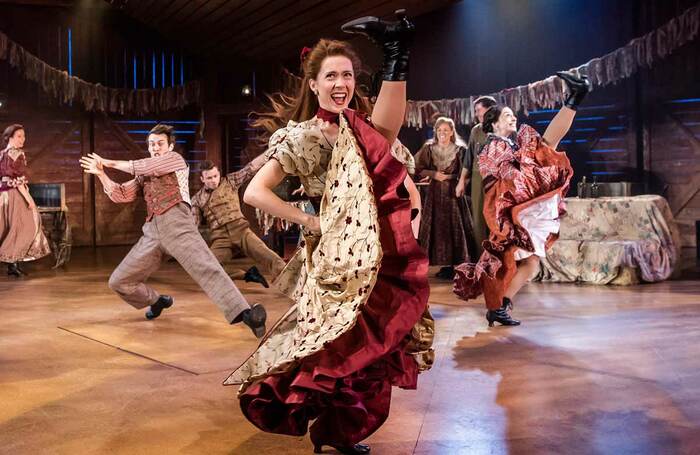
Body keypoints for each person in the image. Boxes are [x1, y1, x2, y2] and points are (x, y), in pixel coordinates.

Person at [225, 12, 433, 455]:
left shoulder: (364, 129)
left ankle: (398, 50)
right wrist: (312, 221)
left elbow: (396, 158)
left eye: (348, 75)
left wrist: (407, 229)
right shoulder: (304, 136)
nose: (341, 83)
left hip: (374, 255)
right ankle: (330, 426)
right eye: (331, 76)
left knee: (373, 346)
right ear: (314, 84)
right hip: (333, 263)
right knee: (332, 344)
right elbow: (255, 193)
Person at [78, 124, 266, 337]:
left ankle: (248, 314)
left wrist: (107, 162)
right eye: (151, 144)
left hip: (178, 226)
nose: (155, 148)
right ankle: (157, 301)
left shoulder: (175, 160)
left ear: (170, 146)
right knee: (120, 281)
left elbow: (147, 167)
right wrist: (101, 173)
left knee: (207, 268)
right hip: (152, 232)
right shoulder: (143, 175)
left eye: (159, 144)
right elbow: (121, 195)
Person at [454, 71, 590, 327]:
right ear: (493, 123)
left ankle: (499, 307)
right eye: (507, 115)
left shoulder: (508, 144)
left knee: (530, 263)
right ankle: (498, 306)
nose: (512, 117)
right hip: (509, 215)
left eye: (512, 114)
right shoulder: (493, 147)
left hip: (517, 210)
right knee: (515, 263)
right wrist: (533, 168)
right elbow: (502, 180)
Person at [191, 158, 286, 288]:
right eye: (209, 178)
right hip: (221, 238)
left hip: (240, 230)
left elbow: (250, 168)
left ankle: (294, 284)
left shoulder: (230, 181)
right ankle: (246, 275)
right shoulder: (197, 199)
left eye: (215, 176)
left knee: (270, 257)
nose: (213, 180)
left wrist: (271, 152)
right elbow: (193, 224)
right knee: (206, 269)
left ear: (219, 174)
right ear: (202, 179)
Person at [414, 116, 474, 279]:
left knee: (455, 226)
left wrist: (460, 184)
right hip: (435, 194)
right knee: (438, 228)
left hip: (453, 192)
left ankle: (459, 264)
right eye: (439, 130)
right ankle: (446, 266)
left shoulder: (460, 149)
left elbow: (467, 172)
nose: (442, 133)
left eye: (445, 130)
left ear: (451, 132)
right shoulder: (429, 148)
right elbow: (416, 167)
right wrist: (433, 174)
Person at [0, 124, 51, 276]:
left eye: (24, 136)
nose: (23, 139)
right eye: (19, 136)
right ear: (9, 137)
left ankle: (12, 263)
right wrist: (30, 200)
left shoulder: (1, 154)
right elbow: (18, 181)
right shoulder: (17, 154)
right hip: (15, 195)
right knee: (26, 225)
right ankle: (12, 261)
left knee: (6, 227)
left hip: (3, 196)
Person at [456, 96, 497, 257]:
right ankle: (483, 258)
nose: (476, 114)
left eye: (478, 110)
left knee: (496, 218)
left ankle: (499, 257)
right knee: (478, 220)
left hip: (497, 178)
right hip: (478, 178)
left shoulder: (503, 128)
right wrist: (461, 182)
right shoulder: (476, 130)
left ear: (490, 109)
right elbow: (469, 158)